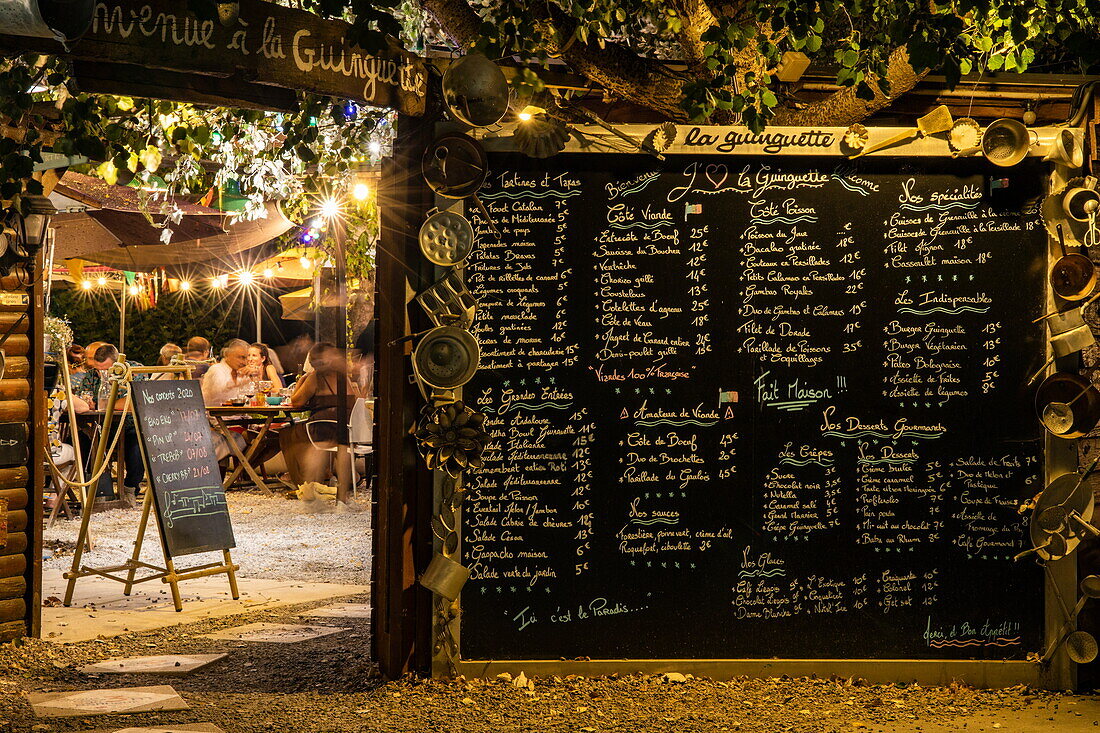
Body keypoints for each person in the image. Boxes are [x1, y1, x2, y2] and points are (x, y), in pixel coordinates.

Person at [279, 342, 361, 504]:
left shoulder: (317, 377)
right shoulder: (343, 376)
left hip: (324, 425)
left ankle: (303, 483)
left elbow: (296, 401)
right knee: (335, 447)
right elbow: (356, 400)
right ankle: (335, 486)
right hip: (348, 426)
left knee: (289, 434)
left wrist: (303, 378)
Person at [83, 343, 147, 501]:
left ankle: (130, 488)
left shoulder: (133, 371)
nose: (102, 373)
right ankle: (100, 490)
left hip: (131, 426)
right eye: (98, 369)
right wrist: (89, 401)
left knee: (139, 446)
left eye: (106, 369)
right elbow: (84, 399)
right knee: (83, 441)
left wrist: (102, 402)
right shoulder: (91, 376)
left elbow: (133, 401)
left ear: (117, 363)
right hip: (102, 427)